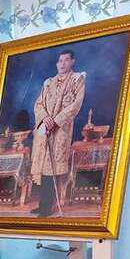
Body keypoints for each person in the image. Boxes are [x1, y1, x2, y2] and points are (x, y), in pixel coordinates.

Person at [30, 49, 86, 217]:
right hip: (45, 127)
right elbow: (38, 104)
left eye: (66, 60)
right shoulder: (48, 82)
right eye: (60, 61)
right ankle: (42, 205)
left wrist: (56, 121)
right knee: (43, 167)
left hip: (60, 129)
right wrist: (45, 118)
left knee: (52, 168)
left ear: (72, 62)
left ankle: (48, 207)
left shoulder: (77, 79)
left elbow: (75, 105)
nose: (62, 63)